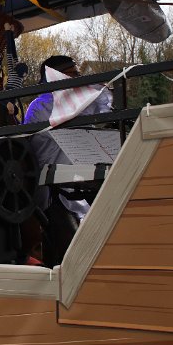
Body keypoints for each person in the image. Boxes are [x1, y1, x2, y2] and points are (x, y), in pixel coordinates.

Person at [23, 55, 112, 261]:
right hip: (53, 188)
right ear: (56, 77)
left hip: (83, 182)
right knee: (68, 250)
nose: (78, 79)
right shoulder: (41, 105)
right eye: (72, 75)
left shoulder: (80, 102)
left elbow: (104, 101)